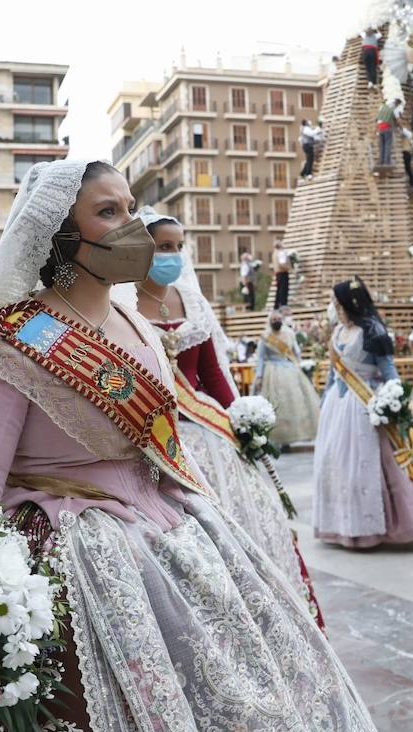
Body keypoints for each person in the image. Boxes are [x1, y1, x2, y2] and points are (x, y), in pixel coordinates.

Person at [0, 160, 379, 732]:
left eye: (130, 208)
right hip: (80, 558)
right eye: (108, 212)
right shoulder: (8, 341)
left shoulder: (135, 323)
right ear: (59, 233)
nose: (131, 226)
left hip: (177, 533)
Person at [118, 207, 323, 622]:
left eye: (178, 247)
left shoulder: (192, 301)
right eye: (163, 247)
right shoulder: (121, 304)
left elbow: (212, 373)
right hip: (152, 440)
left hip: (205, 433)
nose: (173, 255)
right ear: (142, 248)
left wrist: (239, 420)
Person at [313, 277, 413, 547]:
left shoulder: (373, 332)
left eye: (337, 302)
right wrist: (325, 399)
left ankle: (379, 527)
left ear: (349, 304)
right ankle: (345, 525)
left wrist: (396, 401)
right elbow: (335, 373)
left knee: (367, 467)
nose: (334, 307)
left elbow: (389, 371)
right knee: (337, 465)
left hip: (368, 404)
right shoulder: (338, 332)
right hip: (340, 406)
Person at [253, 310, 321, 449]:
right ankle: (274, 438)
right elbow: (260, 358)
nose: (276, 321)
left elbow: (296, 352)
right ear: (269, 321)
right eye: (273, 319)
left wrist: (301, 366)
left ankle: (293, 436)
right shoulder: (265, 337)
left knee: (295, 402)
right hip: (272, 372)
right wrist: (259, 375)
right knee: (275, 403)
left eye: (278, 318)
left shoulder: (290, 334)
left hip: (290, 370)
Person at [272, 239, 292, 309]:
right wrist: (289, 268)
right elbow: (282, 263)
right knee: (284, 289)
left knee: (279, 290)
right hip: (283, 273)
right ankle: (283, 304)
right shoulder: (281, 252)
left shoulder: (275, 253)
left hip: (278, 273)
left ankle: (277, 305)